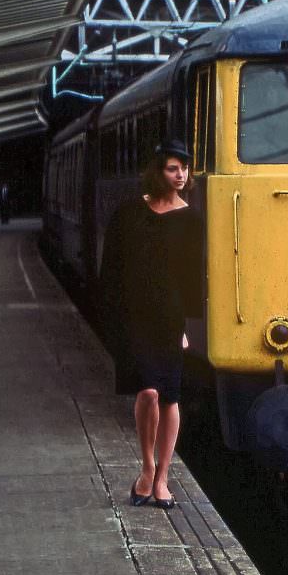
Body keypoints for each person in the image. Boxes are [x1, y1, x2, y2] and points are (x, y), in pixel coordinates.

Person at [99, 141, 202, 509]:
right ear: (158, 171)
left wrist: (187, 328)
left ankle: (161, 478)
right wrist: (110, 314)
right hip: (135, 316)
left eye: (184, 169)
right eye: (173, 168)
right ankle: (146, 467)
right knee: (147, 391)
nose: (181, 175)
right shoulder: (131, 213)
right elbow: (111, 265)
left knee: (170, 395)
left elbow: (193, 275)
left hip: (170, 318)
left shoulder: (191, 219)